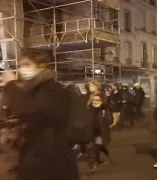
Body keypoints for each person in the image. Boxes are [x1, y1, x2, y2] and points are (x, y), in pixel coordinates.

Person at [2, 49, 78, 180]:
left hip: (51, 159)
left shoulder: (54, 89)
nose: (22, 70)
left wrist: (10, 85)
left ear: (42, 66)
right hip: (35, 157)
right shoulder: (32, 89)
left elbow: (28, 108)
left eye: (27, 65)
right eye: (20, 66)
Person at [88, 93, 110, 173]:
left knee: (97, 146)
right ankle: (96, 163)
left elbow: (108, 119)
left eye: (97, 100)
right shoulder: (89, 108)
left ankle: (96, 164)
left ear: (101, 100)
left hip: (100, 130)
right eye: (93, 99)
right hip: (90, 129)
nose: (95, 101)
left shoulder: (104, 108)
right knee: (93, 147)